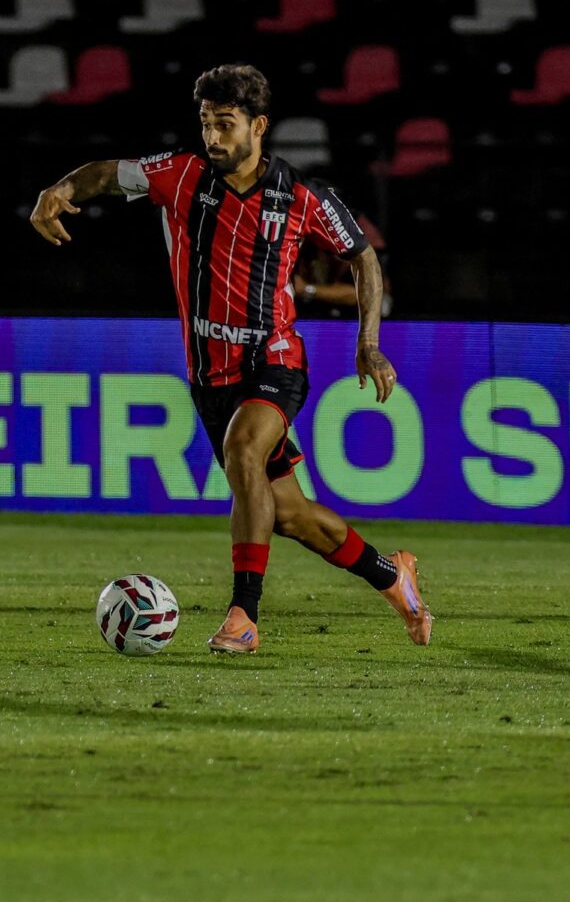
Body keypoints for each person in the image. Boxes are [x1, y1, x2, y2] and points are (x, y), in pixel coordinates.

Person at [28, 63, 431, 654]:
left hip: (275, 363)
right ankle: (392, 576)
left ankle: (244, 615)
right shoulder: (182, 175)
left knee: (246, 449)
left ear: (258, 125)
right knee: (288, 514)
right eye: (205, 124)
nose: (213, 137)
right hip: (208, 376)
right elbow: (109, 175)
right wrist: (60, 190)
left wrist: (367, 342)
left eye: (225, 124)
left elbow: (363, 258)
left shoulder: (301, 195)